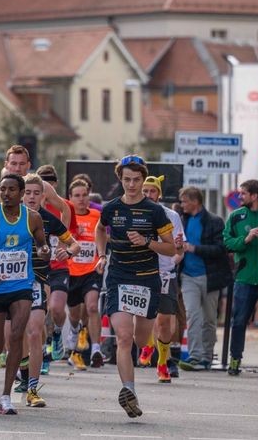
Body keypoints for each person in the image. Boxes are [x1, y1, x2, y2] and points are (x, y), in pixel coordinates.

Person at [95, 156, 177, 417]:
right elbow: (100, 229)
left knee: (141, 339)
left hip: (146, 279)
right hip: (119, 277)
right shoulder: (111, 207)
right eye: (127, 179)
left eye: (137, 180)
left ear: (144, 180)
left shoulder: (155, 211)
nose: (131, 185)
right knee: (123, 337)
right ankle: (128, 390)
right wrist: (101, 255)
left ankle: (149, 346)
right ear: (120, 179)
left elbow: (170, 247)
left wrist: (146, 242)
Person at [0, 173, 47, 415]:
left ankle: (6, 396)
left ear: (21, 193)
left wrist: (45, 250)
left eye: (11, 189)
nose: (6, 193)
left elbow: (42, 244)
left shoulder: (33, 218)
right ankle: (5, 357)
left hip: (22, 285)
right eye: (3, 189)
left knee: (16, 335)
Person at [19, 173, 79, 408]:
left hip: (36, 282)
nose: (31, 197)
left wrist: (69, 252)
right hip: (8, 283)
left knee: (34, 332)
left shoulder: (49, 220)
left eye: (36, 193)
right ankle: (21, 373)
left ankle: (33, 388)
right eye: (27, 192)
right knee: (9, 338)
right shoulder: (6, 216)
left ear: (43, 197)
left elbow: (73, 242)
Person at [223, 179, 258, 376]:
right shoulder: (236, 216)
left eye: (243, 194)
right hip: (244, 277)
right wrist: (245, 239)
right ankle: (235, 359)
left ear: (254, 196)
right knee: (238, 320)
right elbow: (227, 242)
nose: (240, 197)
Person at [177, 186, 229, 371]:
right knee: (193, 315)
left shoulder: (214, 221)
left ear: (195, 201)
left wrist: (194, 248)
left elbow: (220, 249)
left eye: (184, 201)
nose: (181, 204)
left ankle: (207, 356)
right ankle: (194, 355)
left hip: (210, 276)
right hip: (188, 276)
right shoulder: (180, 220)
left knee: (209, 319)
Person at [140, 175, 185, 383]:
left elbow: (180, 249)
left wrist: (174, 256)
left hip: (166, 272)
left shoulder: (171, 216)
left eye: (153, 191)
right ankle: (149, 343)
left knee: (164, 320)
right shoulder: (137, 213)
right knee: (144, 317)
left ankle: (162, 363)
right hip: (142, 271)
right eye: (145, 191)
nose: (149, 195)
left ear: (159, 193)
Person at [65, 177, 104, 369]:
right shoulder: (67, 216)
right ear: (70, 198)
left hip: (92, 269)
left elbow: (105, 236)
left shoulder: (97, 215)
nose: (81, 199)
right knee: (74, 314)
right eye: (77, 196)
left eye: (84, 195)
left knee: (92, 307)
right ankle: (74, 330)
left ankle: (96, 348)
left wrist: (103, 255)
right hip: (71, 271)